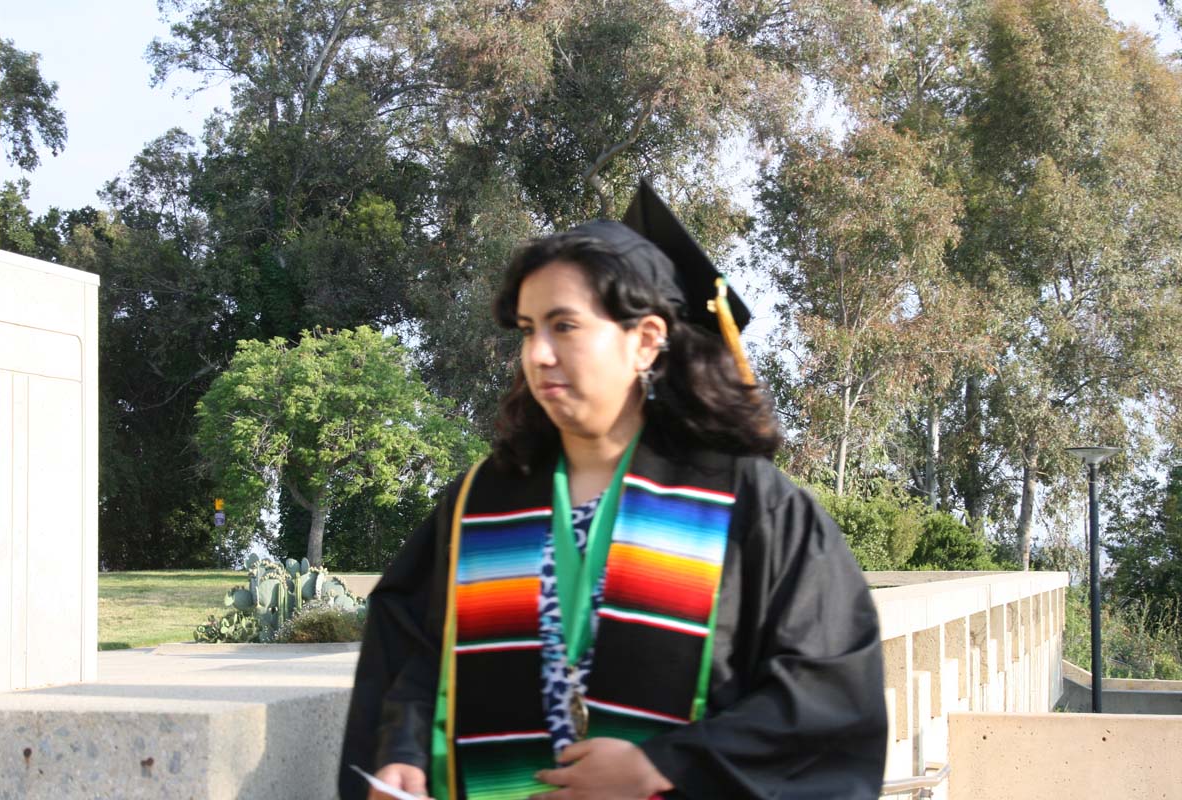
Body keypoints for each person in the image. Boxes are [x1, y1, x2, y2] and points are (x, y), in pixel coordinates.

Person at [340, 179, 888, 800]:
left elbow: (826, 696)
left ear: (646, 340)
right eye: (527, 328)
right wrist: (404, 754)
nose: (538, 353)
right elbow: (417, 655)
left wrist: (667, 767)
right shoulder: (480, 502)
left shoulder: (750, 503)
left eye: (564, 326)